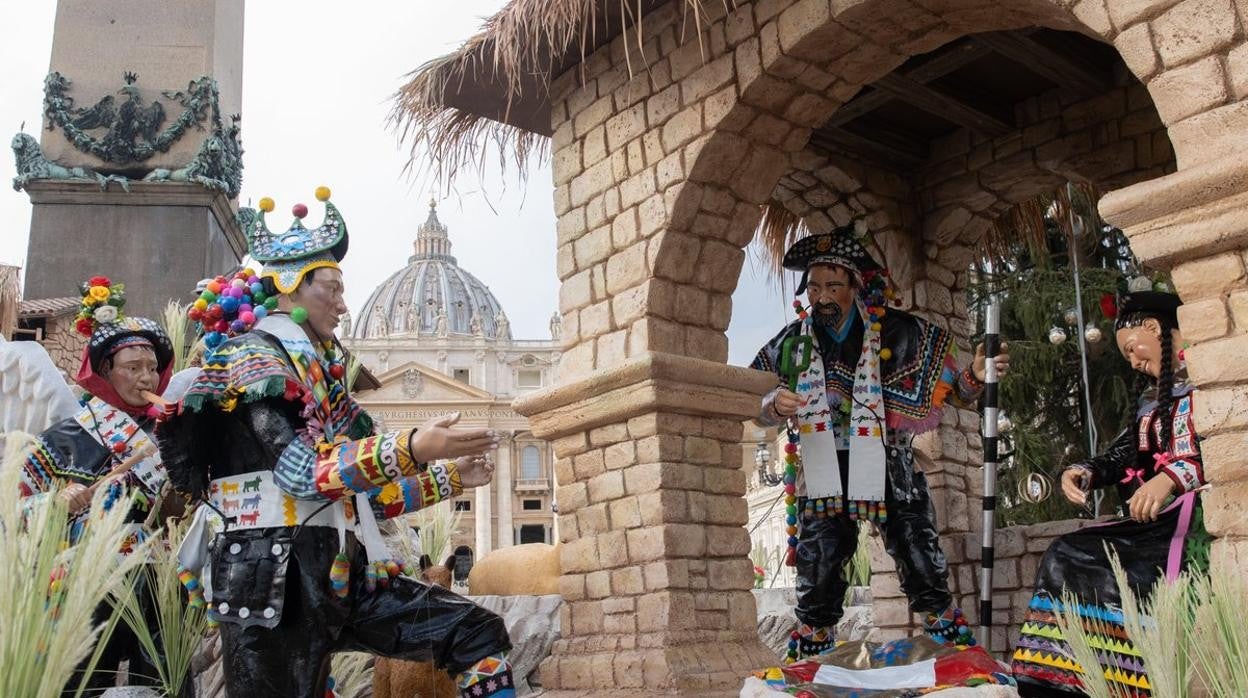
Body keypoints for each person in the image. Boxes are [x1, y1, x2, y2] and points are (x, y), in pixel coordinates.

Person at [160, 188, 515, 698]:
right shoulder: (255, 360)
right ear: (288, 287)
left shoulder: (317, 371)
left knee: (474, 631)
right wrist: (415, 446)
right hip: (270, 581)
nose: (344, 305)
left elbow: (364, 497)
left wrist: (455, 476)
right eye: (332, 288)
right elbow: (307, 474)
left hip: (338, 572)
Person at [751, 222, 1009, 660]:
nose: (822, 296)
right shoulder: (791, 342)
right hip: (822, 469)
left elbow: (956, 391)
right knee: (820, 566)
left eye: (833, 285)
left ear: (856, 284)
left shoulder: (898, 332)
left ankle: (956, 657)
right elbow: (755, 399)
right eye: (813, 287)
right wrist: (775, 403)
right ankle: (811, 661)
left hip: (891, 466)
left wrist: (976, 377)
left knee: (920, 555)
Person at [1012, 289, 1208, 697]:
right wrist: (1084, 471)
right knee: (1066, 551)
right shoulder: (1153, 400)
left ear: (1154, 328)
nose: (1134, 362)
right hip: (1154, 520)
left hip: (1193, 517)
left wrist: (1171, 478)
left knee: (1080, 555)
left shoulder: (1212, 374)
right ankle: (1068, 680)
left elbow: (1223, 443)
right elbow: (1126, 452)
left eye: (1133, 349)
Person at [21, 275, 181, 695]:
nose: (145, 378)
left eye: (152, 368)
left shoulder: (174, 437)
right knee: (84, 680)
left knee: (164, 679)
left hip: (156, 585)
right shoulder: (64, 438)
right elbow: (14, 507)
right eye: (133, 368)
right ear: (106, 373)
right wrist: (57, 503)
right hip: (84, 584)